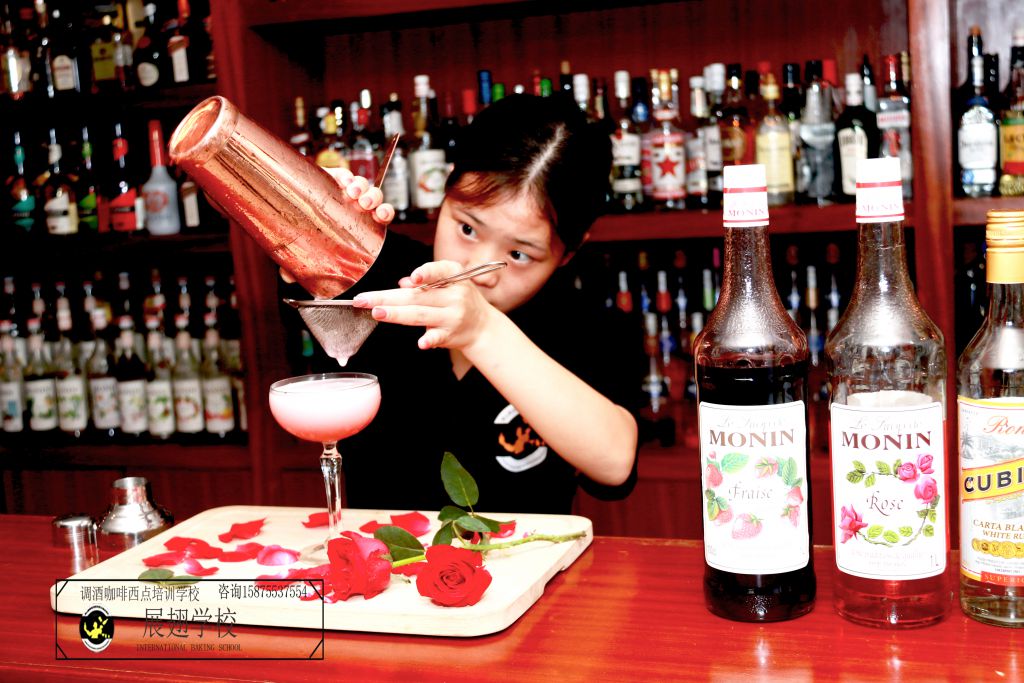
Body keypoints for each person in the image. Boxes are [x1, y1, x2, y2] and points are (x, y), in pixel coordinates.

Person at [285, 94, 639, 514]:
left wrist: (483, 329)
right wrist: (307, 211)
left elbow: (615, 464)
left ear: (568, 253)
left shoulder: (590, 326)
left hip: (528, 554)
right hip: (380, 552)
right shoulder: (374, 269)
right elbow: (268, 216)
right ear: (445, 190)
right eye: (467, 228)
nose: (478, 270)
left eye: (519, 254)